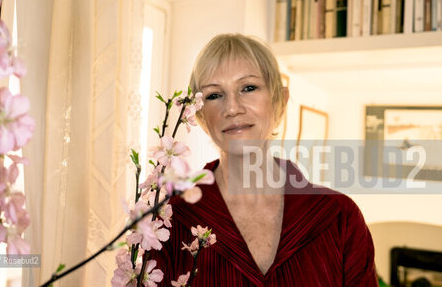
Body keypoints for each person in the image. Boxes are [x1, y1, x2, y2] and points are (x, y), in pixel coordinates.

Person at [150, 33, 378, 286]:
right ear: (201, 117)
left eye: (248, 88)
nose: (233, 108)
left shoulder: (340, 219)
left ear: (279, 103)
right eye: (215, 95)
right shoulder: (170, 219)